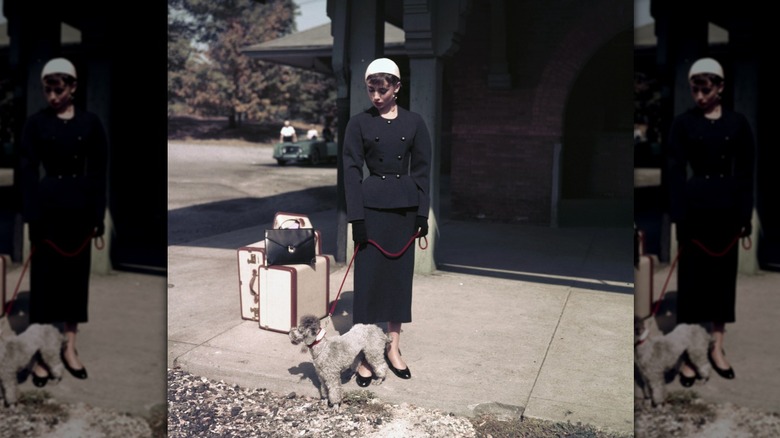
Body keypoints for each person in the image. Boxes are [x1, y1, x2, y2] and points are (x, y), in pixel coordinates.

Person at [19, 57, 108, 385]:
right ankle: (41, 354)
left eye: (58, 89)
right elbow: (26, 173)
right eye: (47, 90)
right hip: (46, 210)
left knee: (74, 280)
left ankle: (70, 347)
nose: (52, 96)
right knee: (43, 283)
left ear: (72, 87)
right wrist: (31, 216)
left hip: (80, 210)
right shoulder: (36, 124)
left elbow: (99, 173)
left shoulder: (90, 123)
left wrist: (98, 215)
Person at [343, 57, 431, 386]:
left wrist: (422, 213)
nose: (376, 97)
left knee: (398, 281)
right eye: (371, 90)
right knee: (367, 282)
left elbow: (422, 171)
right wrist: (356, 218)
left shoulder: (415, 122)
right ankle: (366, 354)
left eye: (382, 90)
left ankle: (393, 348)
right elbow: (351, 172)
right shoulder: (359, 123)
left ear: (397, 87)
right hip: (372, 208)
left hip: (405, 210)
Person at [668, 57, 754, 386]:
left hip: (728, 211)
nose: (700, 96)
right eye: (695, 90)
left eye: (706, 89)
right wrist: (678, 216)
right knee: (691, 282)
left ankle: (717, 346)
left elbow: (747, 173)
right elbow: (674, 173)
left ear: (720, 87)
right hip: (694, 210)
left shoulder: (738, 123)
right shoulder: (683, 123)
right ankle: (691, 353)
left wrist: (745, 214)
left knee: (722, 281)